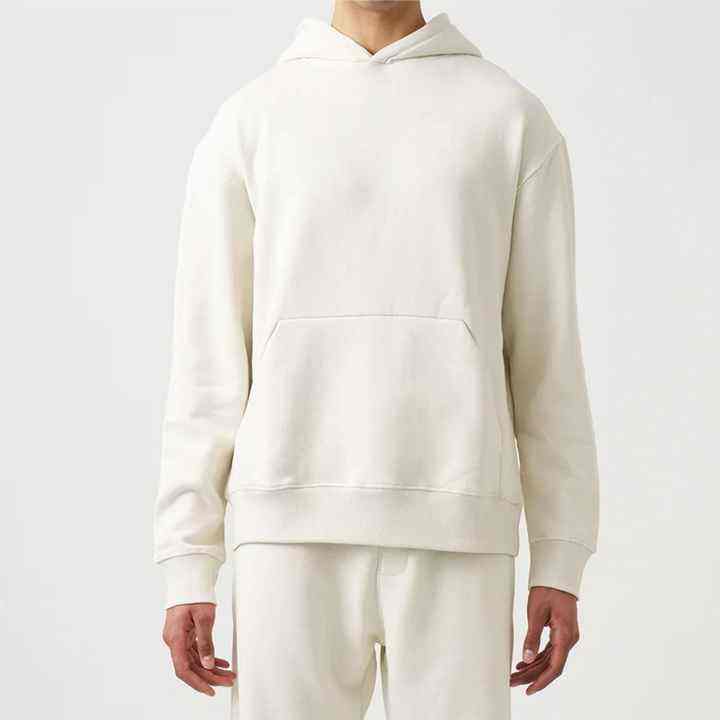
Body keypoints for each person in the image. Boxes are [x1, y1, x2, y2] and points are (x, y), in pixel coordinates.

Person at [154, 1, 599, 717]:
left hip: (458, 520)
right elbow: (208, 355)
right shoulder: (252, 121)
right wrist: (187, 559)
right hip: (288, 521)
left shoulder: (510, 118)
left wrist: (561, 552)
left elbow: (546, 355)